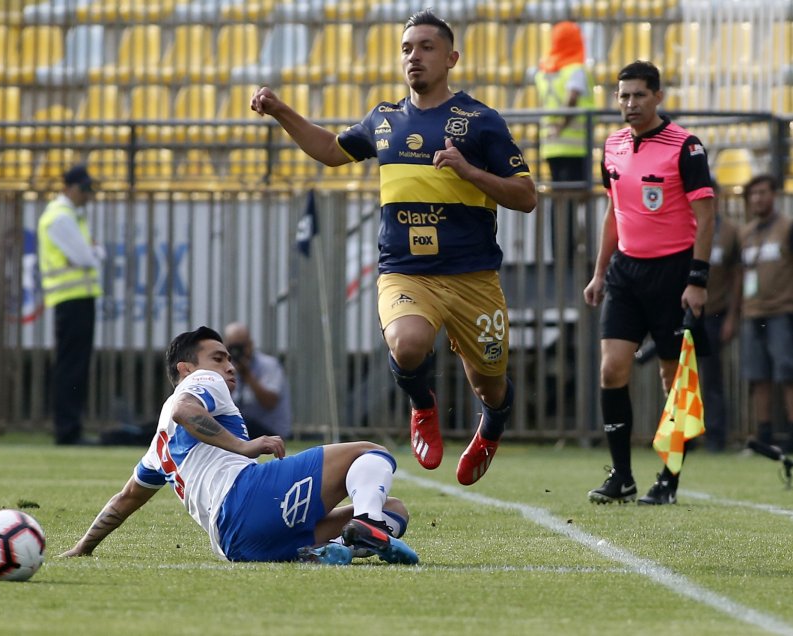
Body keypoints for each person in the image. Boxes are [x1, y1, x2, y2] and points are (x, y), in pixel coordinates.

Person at [250, 9, 537, 485]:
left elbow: (526, 197)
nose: (414, 56)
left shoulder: (481, 121)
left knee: (488, 381)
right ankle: (423, 406)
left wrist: (470, 173)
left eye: (426, 47)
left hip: (472, 277)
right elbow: (329, 151)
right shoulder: (383, 119)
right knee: (407, 345)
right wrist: (282, 111)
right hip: (406, 271)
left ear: (451, 58)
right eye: (407, 48)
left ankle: (492, 425)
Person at [60, 326, 418, 565]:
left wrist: (82, 548)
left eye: (229, 359)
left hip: (238, 546)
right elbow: (186, 410)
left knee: (395, 509)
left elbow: (123, 502)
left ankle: (330, 551)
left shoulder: (158, 448)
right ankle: (367, 526)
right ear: (186, 369)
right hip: (248, 500)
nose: (228, 367)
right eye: (218, 357)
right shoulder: (201, 383)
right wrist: (244, 447)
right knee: (371, 452)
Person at [583, 60, 715, 505]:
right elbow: (613, 212)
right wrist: (600, 272)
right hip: (625, 271)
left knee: (671, 380)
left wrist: (697, 279)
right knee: (611, 368)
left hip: (674, 273)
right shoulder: (613, 145)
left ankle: (669, 480)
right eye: (623, 95)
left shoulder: (686, 147)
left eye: (639, 95)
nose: (630, 104)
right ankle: (621, 474)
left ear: (658, 96)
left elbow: (706, 215)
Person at [38, 164, 102, 445]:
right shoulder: (61, 218)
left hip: (75, 299)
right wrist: (96, 251)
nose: (87, 195)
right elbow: (87, 257)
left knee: (73, 365)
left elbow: (87, 253)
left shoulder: (69, 216)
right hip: (71, 299)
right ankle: (67, 430)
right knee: (71, 367)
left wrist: (93, 251)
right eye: (83, 189)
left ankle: (69, 427)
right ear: (68, 188)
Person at [737, 174, 793, 452]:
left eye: (763, 192)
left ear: (774, 195)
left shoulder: (787, 228)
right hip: (752, 313)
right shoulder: (745, 233)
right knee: (758, 377)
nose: (758, 198)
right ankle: (764, 436)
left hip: (782, 312)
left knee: (788, 373)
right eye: (753, 194)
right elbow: (739, 276)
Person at [534, 20, 595, 250]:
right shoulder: (575, 70)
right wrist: (562, 124)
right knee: (573, 199)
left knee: (559, 199)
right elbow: (572, 98)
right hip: (575, 146)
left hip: (552, 146)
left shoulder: (545, 71)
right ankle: (570, 253)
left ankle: (559, 250)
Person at [698, 181, 742, 452]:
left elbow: (737, 274)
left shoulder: (730, 232)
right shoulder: (686, 226)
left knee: (712, 377)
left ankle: (715, 437)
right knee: (682, 378)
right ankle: (683, 437)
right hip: (687, 313)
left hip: (715, 313)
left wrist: (731, 317)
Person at [222, 322, 291, 439]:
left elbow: (270, 403)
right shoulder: (225, 367)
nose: (237, 352)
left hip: (269, 429)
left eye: (241, 347)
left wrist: (247, 375)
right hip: (244, 425)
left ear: (250, 344)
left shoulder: (269, 365)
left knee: (237, 423)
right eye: (232, 347)